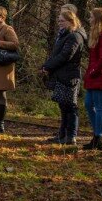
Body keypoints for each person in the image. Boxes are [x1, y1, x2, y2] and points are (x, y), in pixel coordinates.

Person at [42, 10, 86, 145]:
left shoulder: (74, 36)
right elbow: (57, 54)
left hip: (69, 76)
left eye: (62, 21)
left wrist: (48, 66)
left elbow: (65, 56)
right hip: (62, 75)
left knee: (70, 107)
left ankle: (71, 136)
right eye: (59, 21)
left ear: (71, 21)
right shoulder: (64, 35)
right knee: (63, 106)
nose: (59, 23)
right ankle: (62, 134)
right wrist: (46, 65)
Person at [83, 7, 102, 151]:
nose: (90, 19)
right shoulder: (97, 35)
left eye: (92, 17)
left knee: (100, 107)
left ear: (98, 19)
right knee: (88, 104)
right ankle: (96, 134)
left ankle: (98, 137)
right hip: (94, 76)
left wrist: (94, 71)